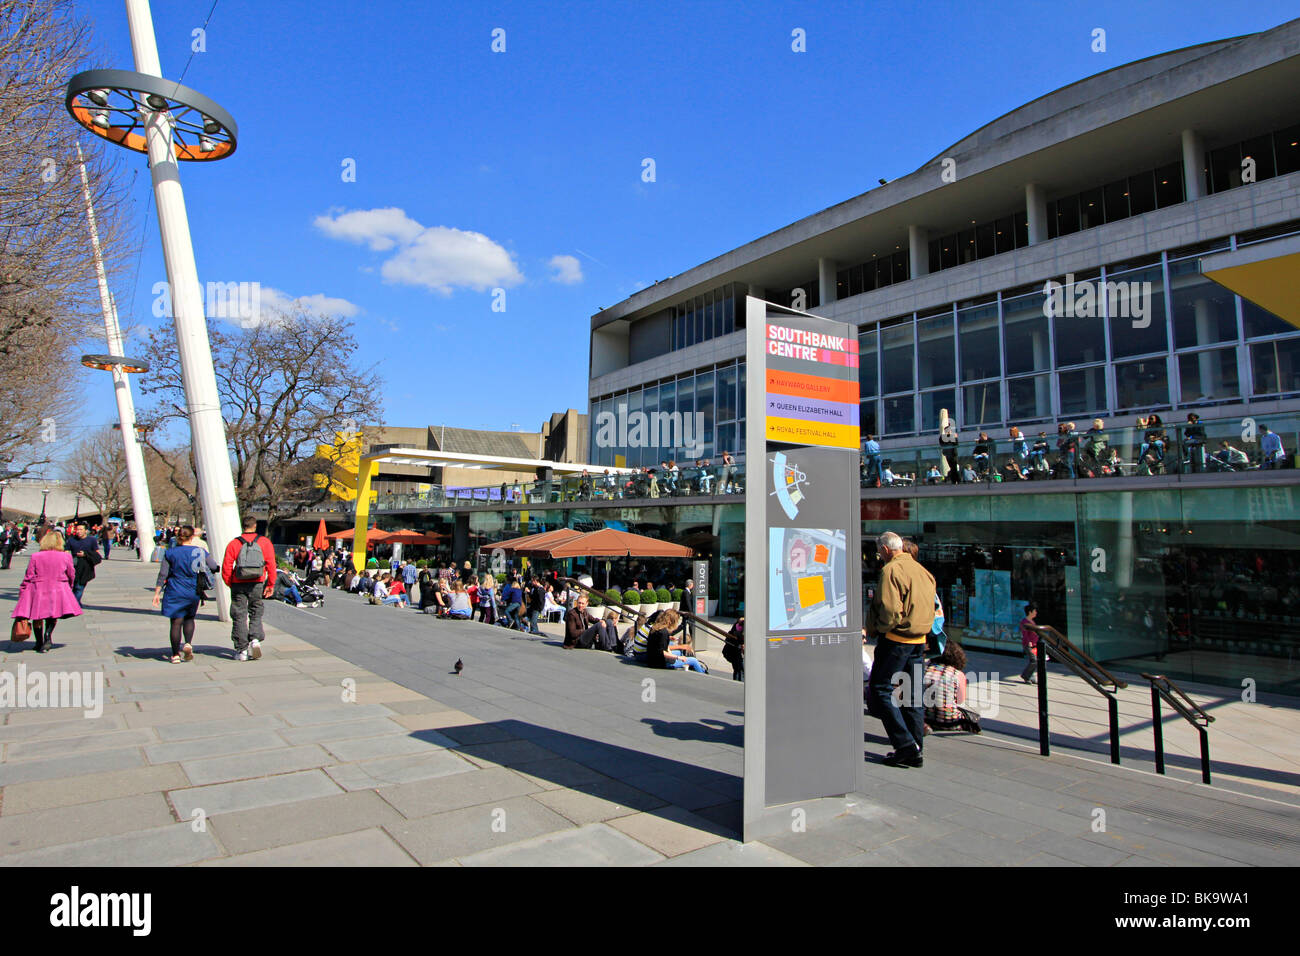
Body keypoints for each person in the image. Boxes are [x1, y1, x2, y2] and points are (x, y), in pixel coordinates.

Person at [866, 531, 936, 768]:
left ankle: (906, 746)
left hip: (897, 639)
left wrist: (878, 628)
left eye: (879, 552)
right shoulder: (922, 570)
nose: (879, 557)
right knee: (913, 694)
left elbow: (889, 610)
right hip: (919, 640)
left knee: (880, 688)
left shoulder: (891, 570)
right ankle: (915, 746)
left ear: (885, 550)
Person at [151, 525, 219, 663]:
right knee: (189, 618)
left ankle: (175, 654)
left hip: (175, 589)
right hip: (193, 589)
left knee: (176, 622)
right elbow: (213, 566)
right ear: (192, 536)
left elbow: (163, 573)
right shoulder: (199, 551)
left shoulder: (171, 553)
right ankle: (188, 643)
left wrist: (157, 592)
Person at [11, 530, 82, 653]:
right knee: (52, 614)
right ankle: (48, 637)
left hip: (38, 588)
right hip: (58, 587)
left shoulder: (36, 556)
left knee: (37, 616)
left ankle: (38, 642)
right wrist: (69, 586)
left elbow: (29, 575)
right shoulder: (65, 556)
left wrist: (23, 590)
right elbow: (71, 573)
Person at [221, 516, 276, 661]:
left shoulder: (234, 543)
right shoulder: (264, 542)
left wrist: (230, 582)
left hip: (238, 581)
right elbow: (271, 564)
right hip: (257, 581)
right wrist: (270, 584)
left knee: (239, 614)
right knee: (256, 610)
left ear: (243, 526)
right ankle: (255, 638)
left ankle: (242, 649)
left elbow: (226, 566)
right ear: (255, 526)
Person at [923, 642, 981, 734]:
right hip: (950, 722)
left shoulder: (925, 669)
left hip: (925, 718)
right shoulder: (957, 674)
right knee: (971, 717)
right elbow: (960, 700)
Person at [65, 521, 102, 604]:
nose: (78, 531)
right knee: (74, 586)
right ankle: (76, 603)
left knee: (79, 586)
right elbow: (66, 551)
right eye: (77, 529)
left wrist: (85, 554)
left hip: (86, 566)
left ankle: (74, 604)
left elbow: (96, 553)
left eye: (81, 529)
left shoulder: (92, 540)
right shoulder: (71, 540)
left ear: (86, 530)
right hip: (74, 565)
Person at [1019, 602, 1043, 683]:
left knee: (1035, 661)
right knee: (1034, 660)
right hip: (1029, 644)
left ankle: (1030, 676)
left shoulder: (1032, 621)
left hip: (1034, 644)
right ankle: (1025, 675)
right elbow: (1025, 634)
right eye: (1034, 611)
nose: (1036, 612)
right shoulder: (1024, 622)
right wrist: (1029, 642)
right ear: (1030, 612)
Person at [722, 616, 744, 681]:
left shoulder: (738, 625)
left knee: (738, 670)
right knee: (739, 670)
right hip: (735, 652)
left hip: (733, 652)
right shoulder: (739, 626)